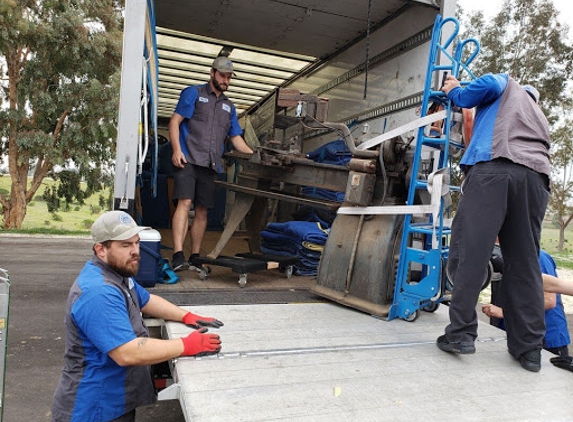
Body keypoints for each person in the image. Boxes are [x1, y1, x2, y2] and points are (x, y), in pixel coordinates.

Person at [52, 211, 224, 422]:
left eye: (136, 243)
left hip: (113, 402)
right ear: (101, 249)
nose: (135, 251)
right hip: (93, 409)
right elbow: (127, 352)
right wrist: (187, 345)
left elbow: (146, 300)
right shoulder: (98, 292)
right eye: (125, 245)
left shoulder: (117, 274)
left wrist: (187, 315)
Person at [436, 73, 551, 372]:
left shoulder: (505, 83)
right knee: (525, 264)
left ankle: (460, 335)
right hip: (535, 180)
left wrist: (455, 90)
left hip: (494, 171)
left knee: (469, 255)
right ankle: (529, 351)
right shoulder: (538, 115)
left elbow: (484, 87)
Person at [169, 56, 253, 271]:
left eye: (229, 77)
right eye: (222, 75)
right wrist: (177, 150)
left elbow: (236, 139)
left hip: (211, 164)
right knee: (185, 202)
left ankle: (195, 256)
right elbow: (175, 121)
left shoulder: (229, 107)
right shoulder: (194, 94)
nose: (226, 80)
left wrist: (254, 155)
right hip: (187, 159)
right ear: (212, 73)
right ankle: (178, 255)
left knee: (203, 210)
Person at [482, 249, 570, 357]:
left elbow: (549, 301)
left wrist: (504, 312)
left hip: (546, 338)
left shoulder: (537, 257)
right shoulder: (497, 257)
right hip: (516, 335)